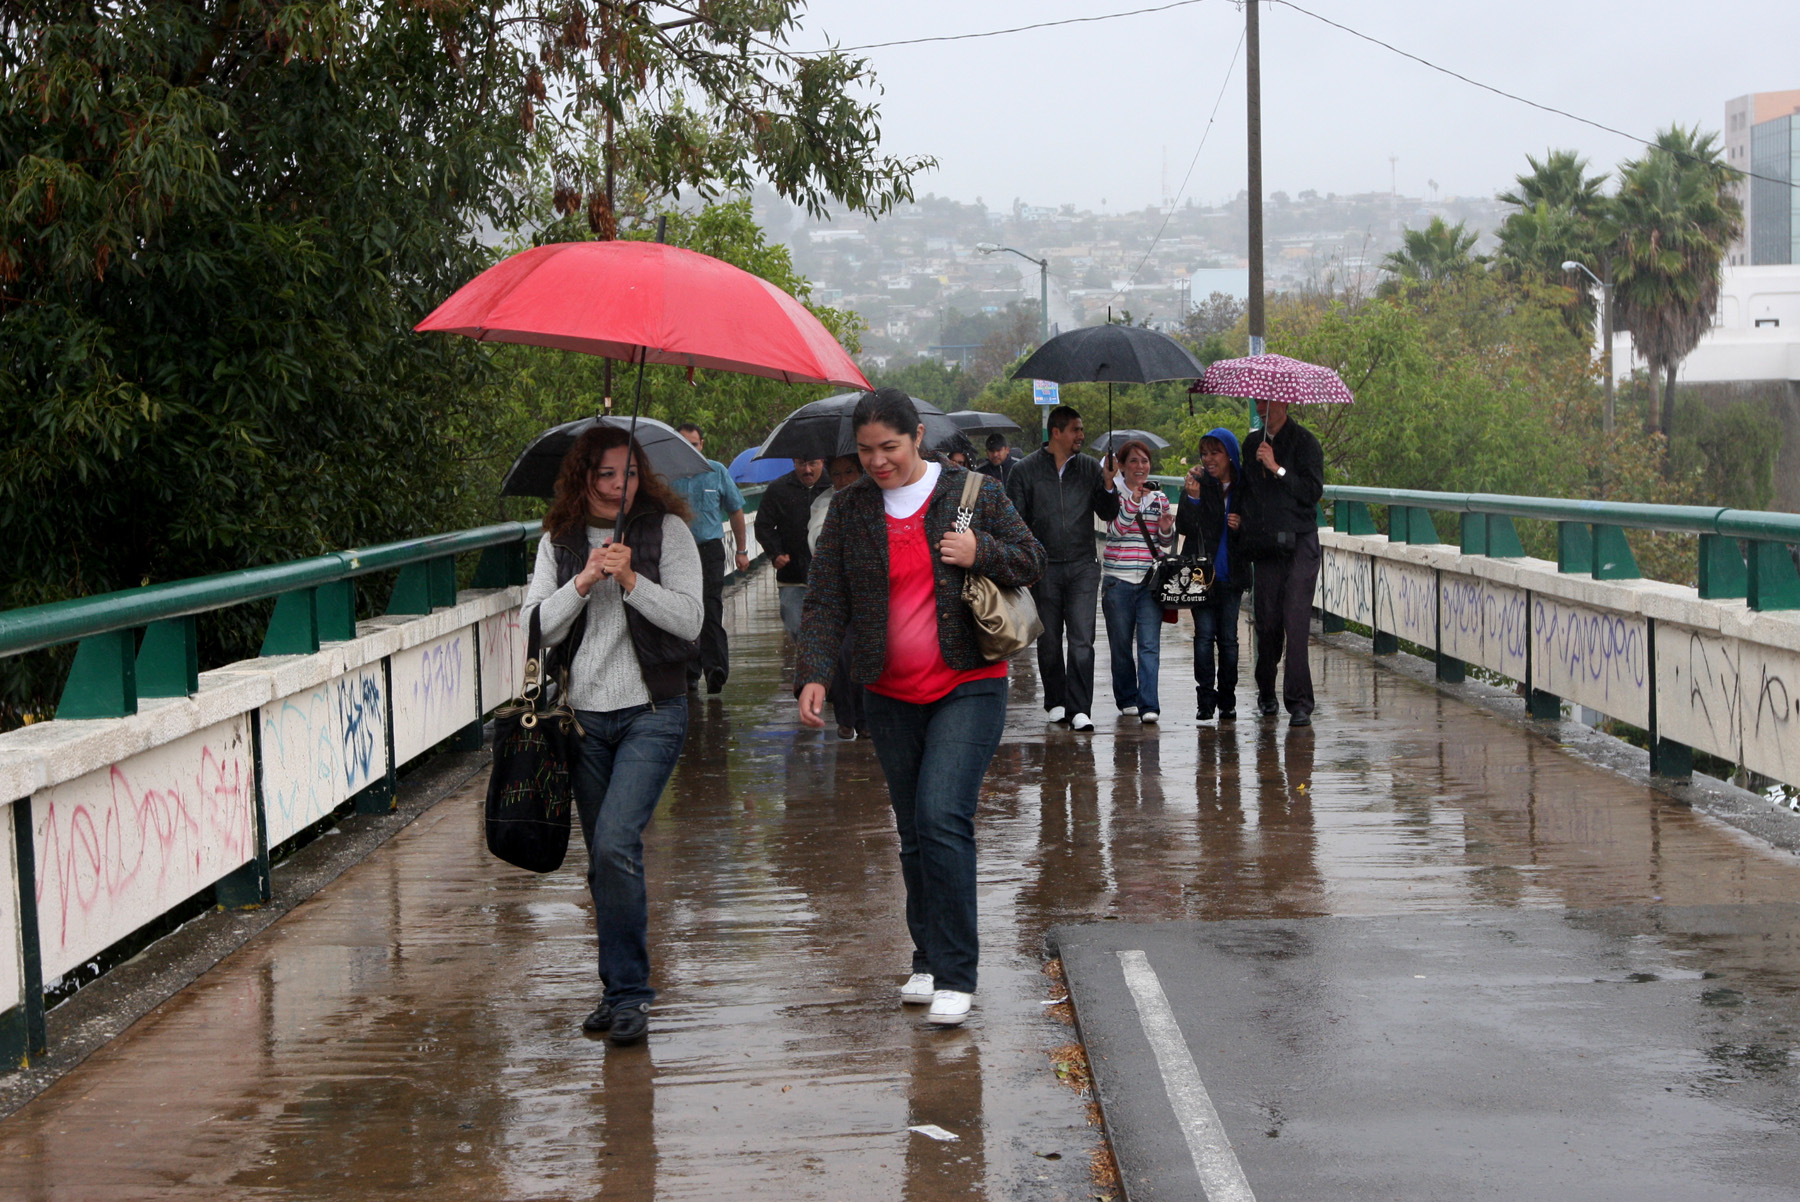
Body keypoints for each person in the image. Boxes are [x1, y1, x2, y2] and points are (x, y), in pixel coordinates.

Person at [797, 388, 1045, 1026]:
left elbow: (1032, 559)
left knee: (941, 817)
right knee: (911, 833)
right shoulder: (851, 510)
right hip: (888, 693)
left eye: (890, 448)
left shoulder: (972, 493)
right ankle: (928, 957)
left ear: (916, 440)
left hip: (969, 683)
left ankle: (959, 973)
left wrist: (978, 552)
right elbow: (826, 600)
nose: (879, 462)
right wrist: (817, 674)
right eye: (866, 451)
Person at [521, 425, 703, 1046]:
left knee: (617, 842)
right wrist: (582, 582)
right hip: (582, 718)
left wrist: (631, 581)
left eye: (628, 474)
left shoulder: (666, 533)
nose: (617, 487)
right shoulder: (560, 542)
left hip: (653, 710)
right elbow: (536, 629)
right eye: (604, 475)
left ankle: (629, 996)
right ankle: (616, 988)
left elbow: (690, 621)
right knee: (603, 860)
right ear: (583, 478)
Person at [1005, 405, 1120, 732]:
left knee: (1083, 639)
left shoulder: (1089, 469)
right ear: (1056, 432)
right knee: (1050, 639)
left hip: (1084, 565)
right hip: (1045, 568)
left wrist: (1109, 484)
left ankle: (1081, 707)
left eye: (1081, 430)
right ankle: (1056, 700)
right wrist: (1025, 566)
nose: (1081, 436)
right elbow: (1015, 522)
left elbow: (1108, 512)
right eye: (1076, 430)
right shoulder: (1024, 471)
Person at [1240, 398, 1326, 726]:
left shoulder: (1305, 443)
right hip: (1265, 544)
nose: (1262, 408)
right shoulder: (1252, 444)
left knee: (1296, 621)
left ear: (1284, 403)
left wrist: (1277, 468)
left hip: (1301, 540)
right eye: (1258, 403)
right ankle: (1266, 690)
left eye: (1268, 403)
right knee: (1268, 624)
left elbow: (1311, 491)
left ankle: (1300, 703)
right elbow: (1246, 491)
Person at [1099, 439, 1174, 724]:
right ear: (1121, 465)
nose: (1140, 467)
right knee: (1120, 645)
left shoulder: (1159, 498)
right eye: (1133, 461)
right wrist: (1132, 501)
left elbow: (1163, 543)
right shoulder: (1112, 495)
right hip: (1117, 581)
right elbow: (1116, 530)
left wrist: (1166, 529)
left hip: (1149, 584)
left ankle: (1149, 703)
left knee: (1149, 646)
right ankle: (1127, 697)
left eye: (1144, 461)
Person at [671, 423, 747, 694]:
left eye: (694, 444)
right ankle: (689, 671)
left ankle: (715, 669)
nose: (689, 449)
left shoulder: (717, 471)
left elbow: (736, 510)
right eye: (683, 444)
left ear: (702, 444)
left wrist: (741, 550)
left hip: (710, 549)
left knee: (711, 606)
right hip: (678, 552)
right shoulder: (666, 475)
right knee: (683, 610)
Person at [1176, 429, 1245, 722]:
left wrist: (1244, 523)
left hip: (1232, 574)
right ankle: (1205, 700)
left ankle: (1227, 701)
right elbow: (1184, 526)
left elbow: (1260, 525)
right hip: (1200, 574)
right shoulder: (1198, 483)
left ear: (1229, 455)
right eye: (1204, 453)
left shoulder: (1245, 487)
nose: (1208, 459)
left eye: (1215, 453)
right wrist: (1192, 499)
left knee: (1228, 639)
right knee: (1203, 637)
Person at [808, 454, 869, 739]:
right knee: (843, 658)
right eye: (836, 474)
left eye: (849, 472)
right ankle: (847, 719)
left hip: (872, 597)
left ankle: (867, 719)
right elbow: (818, 541)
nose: (843, 480)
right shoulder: (824, 505)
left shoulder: (877, 499)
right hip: (840, 597)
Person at [754, 457, 828, 637]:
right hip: (792, 576)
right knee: (796, 629)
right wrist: (775, 553)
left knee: (827, 633)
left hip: (829, 577)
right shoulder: (778, 489)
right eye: (802, 463)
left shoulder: (835, 485)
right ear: (794, 463)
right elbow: (763, 525)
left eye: (813, 463)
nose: (808, 469)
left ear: (823, 462)